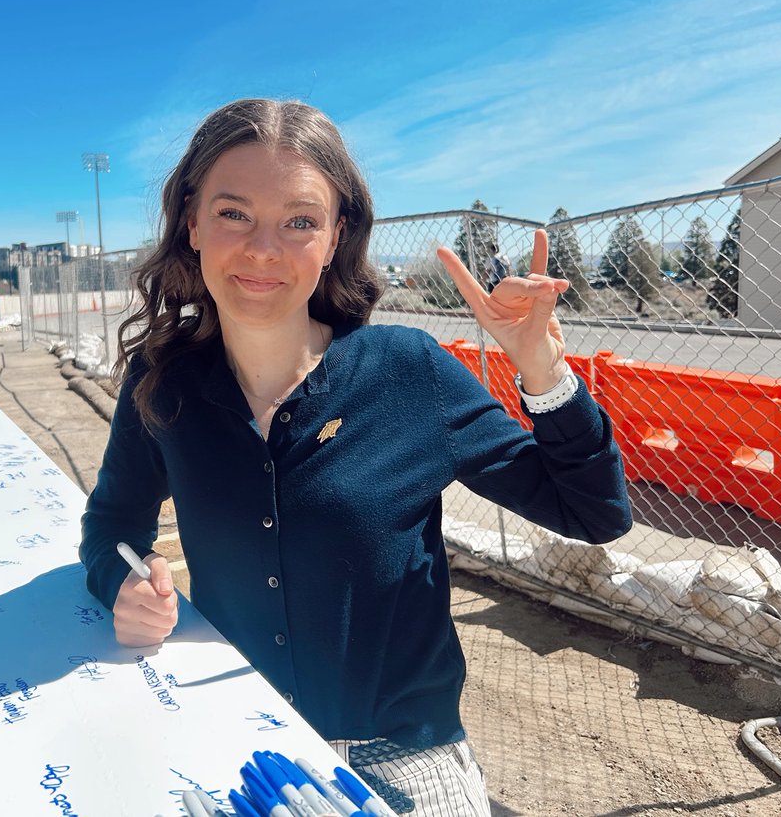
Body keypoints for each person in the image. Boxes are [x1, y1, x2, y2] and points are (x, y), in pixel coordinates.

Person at [80, 99, 632, 816]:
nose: (263, 249)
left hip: (405, 759)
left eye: (300, 220)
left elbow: (594, 513)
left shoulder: (409, 373)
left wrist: (543, 373)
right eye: (234, 213)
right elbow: (111, 526)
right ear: (191, 223)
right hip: (244, 744)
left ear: (338, 234)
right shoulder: (164, 385)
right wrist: (118, 585)